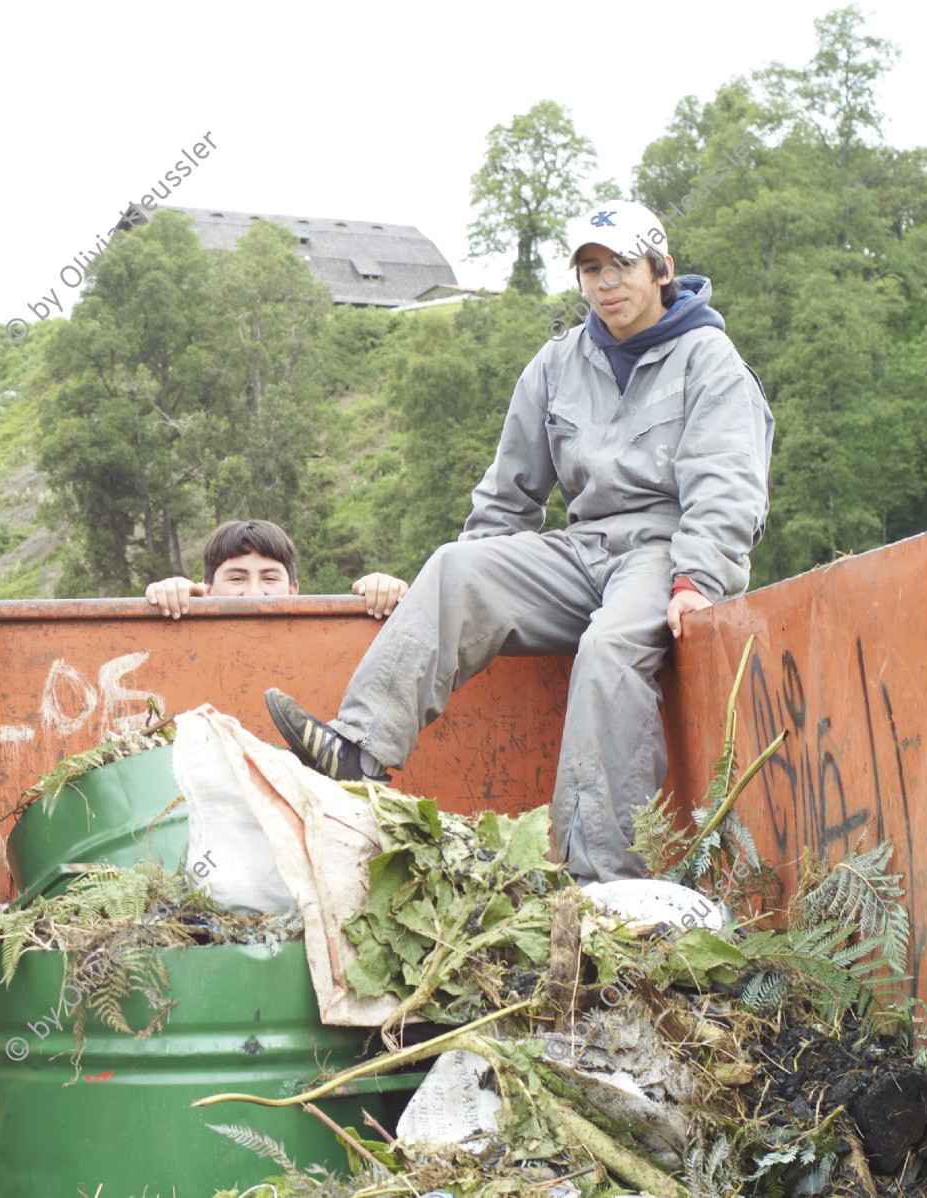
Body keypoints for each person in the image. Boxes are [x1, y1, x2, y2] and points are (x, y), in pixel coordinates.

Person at [265, 200, 773, 884]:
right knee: (456, 567)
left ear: (661, 270)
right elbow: (508, 493)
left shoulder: (709, 360)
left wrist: (698, 579)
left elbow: (728, 481)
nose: (605, 284)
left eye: (621, 265)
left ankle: (605, 879)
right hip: (584, 548)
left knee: (610, 648)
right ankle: (359, 748)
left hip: (667, 549)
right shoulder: (560, 362)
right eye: (591, 270)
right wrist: (491, 580)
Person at [143, 519, 409, 619]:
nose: (255, 593)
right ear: (208, 589)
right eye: (237, 578)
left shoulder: (318, 640)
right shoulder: (191, 635)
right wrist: (172, 594)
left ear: (293, 590)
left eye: (270, 577)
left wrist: (382, 589)